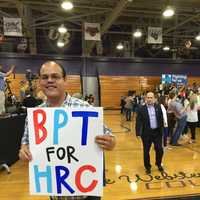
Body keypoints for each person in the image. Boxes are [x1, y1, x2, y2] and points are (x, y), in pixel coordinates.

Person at [19, 61, 116, 200]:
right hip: (55, 194)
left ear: (65, 80)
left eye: (55, 76)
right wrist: (23, 153)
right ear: (40, 81)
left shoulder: (85, 108)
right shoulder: (35, 115)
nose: (50, 80)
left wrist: (110, 142)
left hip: (86, 194)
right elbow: (24, 146)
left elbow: (110, 137)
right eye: (45, 77)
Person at [135, 92, 164, 174]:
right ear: (145, 99)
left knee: (160, 149)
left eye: (151, 97)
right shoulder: (141, 109)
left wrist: (163, 129)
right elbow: (138, 121)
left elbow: (161, 119)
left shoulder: (158, 107)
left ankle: (158, 164)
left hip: (157, 132)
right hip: (146, 133)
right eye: (148, 97)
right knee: (146, 151)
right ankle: (147, 167)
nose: (150, 99)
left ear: (154, 99)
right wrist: (137, 133)